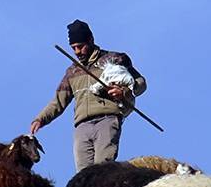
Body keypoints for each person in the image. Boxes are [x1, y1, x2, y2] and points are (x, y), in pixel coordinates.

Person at [29, 19, 147, 172]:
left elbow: (141, 82)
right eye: (73, 48)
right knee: (83, 176)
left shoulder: (114, 59)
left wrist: (123, 92)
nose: (77, 52)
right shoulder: (72, 71)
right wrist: (40, 119)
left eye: (80, 46)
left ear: (90, 40)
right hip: (82, 126)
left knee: (103, 170)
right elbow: (58, 101)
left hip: (107, 119)